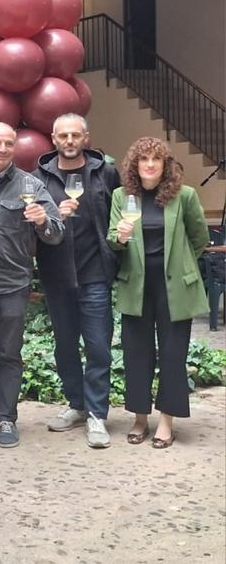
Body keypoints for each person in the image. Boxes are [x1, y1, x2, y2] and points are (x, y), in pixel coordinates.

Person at [0, 122, 62, 449]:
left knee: (9, 353)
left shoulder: (30, 184)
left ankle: (7, 416)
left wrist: (43, 220)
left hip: (13, 283)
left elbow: (57, 231)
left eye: (8, 143)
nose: (2, 149)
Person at [109, 137, 210, 449]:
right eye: (144, 159)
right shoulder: (122, 196)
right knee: (136, 354)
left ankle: (166, 419)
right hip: (136, 286)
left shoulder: (185, 196)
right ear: (135, 165)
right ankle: (140, 418)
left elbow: (199, 237)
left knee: (172, 354)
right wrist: (121, 237)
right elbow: (112, 237)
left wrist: (179, 265)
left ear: (166, 165)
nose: (150, 164)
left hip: (175, 287)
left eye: (156, 159)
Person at [33, 114, 121, 449]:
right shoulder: (38, 177)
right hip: (57, 274)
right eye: (63, 136)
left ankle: (97, 413)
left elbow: (119, 217)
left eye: (75, 135)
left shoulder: (105, 172)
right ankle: (77, 404)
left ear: (86, 137)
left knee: (98, 346)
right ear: (53, 138)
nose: (69, 141)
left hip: (95, 272)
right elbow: (31, 221)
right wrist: (54, 214)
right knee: (65, 346)